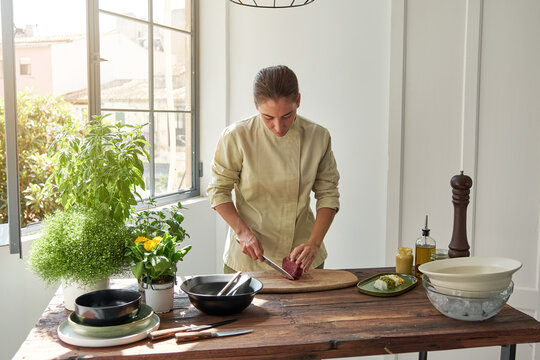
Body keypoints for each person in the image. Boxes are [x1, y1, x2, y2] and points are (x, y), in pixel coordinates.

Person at [207, 65, 340, 274]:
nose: (278, 127)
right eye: (268, 118)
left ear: (298, 100)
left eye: (287, 116)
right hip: (248, 256)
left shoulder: (318, 137)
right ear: (255, 104)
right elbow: (218, 190)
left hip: (304, 256)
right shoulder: (236, 136)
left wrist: (314, 243)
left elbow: (328, 194)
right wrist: (243, 233)